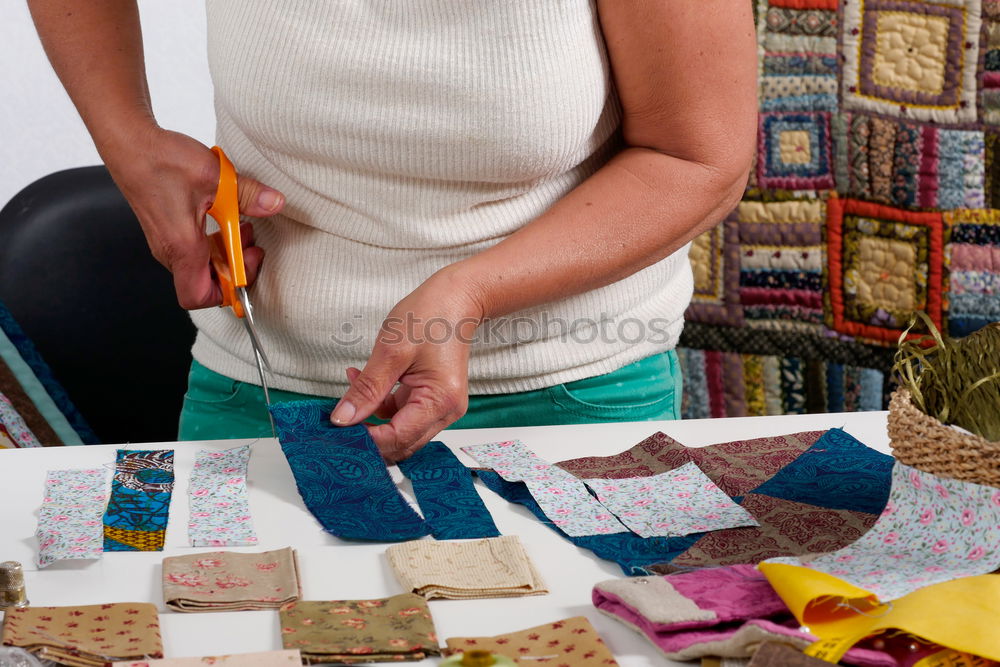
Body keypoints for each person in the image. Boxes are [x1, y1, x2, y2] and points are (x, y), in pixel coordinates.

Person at [28, 1, 757, 461]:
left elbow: (698, 156)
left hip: (571, 393)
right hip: (258, 378)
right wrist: (126, 139)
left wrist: (472, 292)